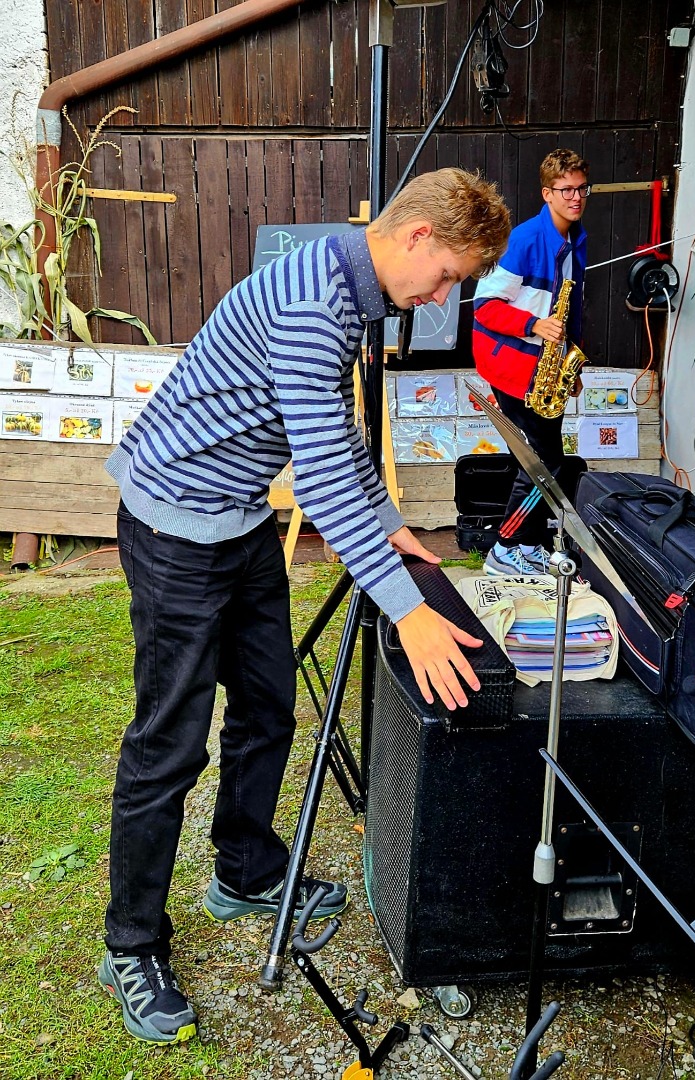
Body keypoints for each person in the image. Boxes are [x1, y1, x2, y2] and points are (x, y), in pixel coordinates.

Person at [99, 168, 512, 1045]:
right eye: (448, 275)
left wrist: (391, 525)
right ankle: (130, 944)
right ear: (418, 237)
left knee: (268, 706)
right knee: (169, 741)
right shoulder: (311, 304)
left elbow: (332, 428)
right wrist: (406, 610)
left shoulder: (351, 289)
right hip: (175, 521)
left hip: (240, 515)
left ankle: (244, 871)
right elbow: (321, 481)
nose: (444, 296)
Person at [473, 148, 589, 575]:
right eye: (566, 190)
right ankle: (506, 548)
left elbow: (571, 309)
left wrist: (571, 366)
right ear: (547, 193)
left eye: (582, 189)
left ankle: (526, 543)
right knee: (542, 462)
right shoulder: (522, 240)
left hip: (546, 366)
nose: (576, 198)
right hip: (512, 365)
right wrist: (534, 324)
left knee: (542, 461)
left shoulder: (576, 240)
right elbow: (484, 307)